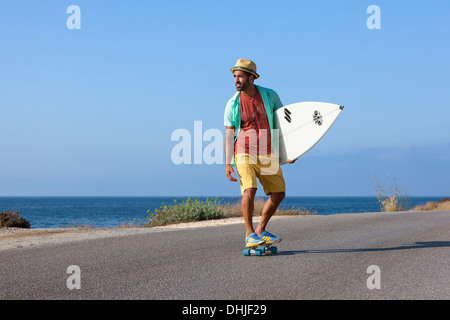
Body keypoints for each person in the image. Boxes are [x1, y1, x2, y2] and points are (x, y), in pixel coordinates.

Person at [224, 59, 295, 248]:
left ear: (251, 77)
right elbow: (230, 134)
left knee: (279, 192)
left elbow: (284, 123)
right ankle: (249, 234)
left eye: (240, 76)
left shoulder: (270, 96)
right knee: (250, 189)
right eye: (234, 77)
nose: (236, 80)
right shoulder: (232, 104)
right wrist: (227, 163)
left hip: (266, 151)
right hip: (243, 151)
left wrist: (291, 150)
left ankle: (260, 230)